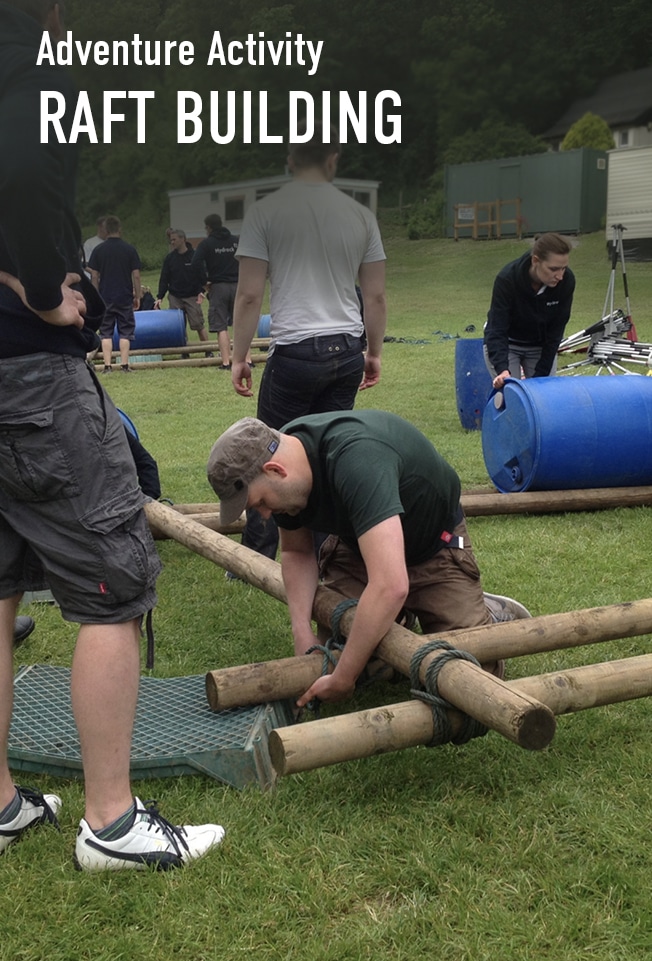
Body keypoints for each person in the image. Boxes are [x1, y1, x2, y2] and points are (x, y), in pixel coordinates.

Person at [0, 0, 224, 870]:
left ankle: (5, 805)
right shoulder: (32, 64)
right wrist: (41, 288)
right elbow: (22, 167)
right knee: (113, 583)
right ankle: (112, 823)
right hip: (29, 376)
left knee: (2, 587)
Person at [207, 411, 530, 707]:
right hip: (360, 550)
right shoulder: (286, 460)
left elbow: (390, 585)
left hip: (433, 548)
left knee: (470, 675)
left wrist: (344, 679)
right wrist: (301, 629)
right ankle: (395, 620)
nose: (262, 515)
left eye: (259, 502)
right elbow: (296, 551)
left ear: (275, 470)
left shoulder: (358, 459)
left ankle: (487, 610)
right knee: (336, 650)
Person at [229, 124, 387, 564]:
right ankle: (325, 551)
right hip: (346, 350)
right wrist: (372, 352)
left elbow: (248, 295)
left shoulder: (265, 212)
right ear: (333, 159)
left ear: (290, 160)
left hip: (296, 353)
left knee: (267, 453)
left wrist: (239, 357)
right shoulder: (360, 216)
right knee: (325, 455)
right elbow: (374, 295)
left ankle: (257, 558)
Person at [483, 233, 576, 389]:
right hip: (508, 344)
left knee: (543, 396)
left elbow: (555, 332)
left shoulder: (566, 282)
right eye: (553, 269)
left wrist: (541, 379)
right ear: (535, 261)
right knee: (513, 394)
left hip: (540, 346)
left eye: (564, 268)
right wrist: (502, 369)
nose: (560, 276)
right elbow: (497, 328)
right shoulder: (507, 279)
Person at [88, 215, 142, 373]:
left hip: (105, 297)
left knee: (106, 332)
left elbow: (95, 276)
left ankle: (107, 366)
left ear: (105, 230)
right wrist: (137, 295)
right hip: (124, 296)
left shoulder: (99, 250)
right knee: (125, 331)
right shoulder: (129, 249)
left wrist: (95, 296)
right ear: (119, 229)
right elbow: (136, 275)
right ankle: (124, 365)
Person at [191, 214, 239, 369]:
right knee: (239, 324)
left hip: (218, 286)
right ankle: (246, 360)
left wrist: (204, 282)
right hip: (238, 285)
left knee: (221, 326)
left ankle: (226, 362)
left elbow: (195, 263)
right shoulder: (236, 241)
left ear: (208, 227)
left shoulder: (206, 244)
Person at [155, 229, 213, 357]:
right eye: (171, 240)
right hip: (175, 296)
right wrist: (160, 296)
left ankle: (208, 350)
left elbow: (203, 276)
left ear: (183, 239)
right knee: (179, 327)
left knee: (198, 324)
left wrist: (202, 291)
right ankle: (184, 352)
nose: (172, 242)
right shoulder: (170, 258)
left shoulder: (195, 256)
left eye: (174, 239)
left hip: (192, 296)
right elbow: (164, 278)